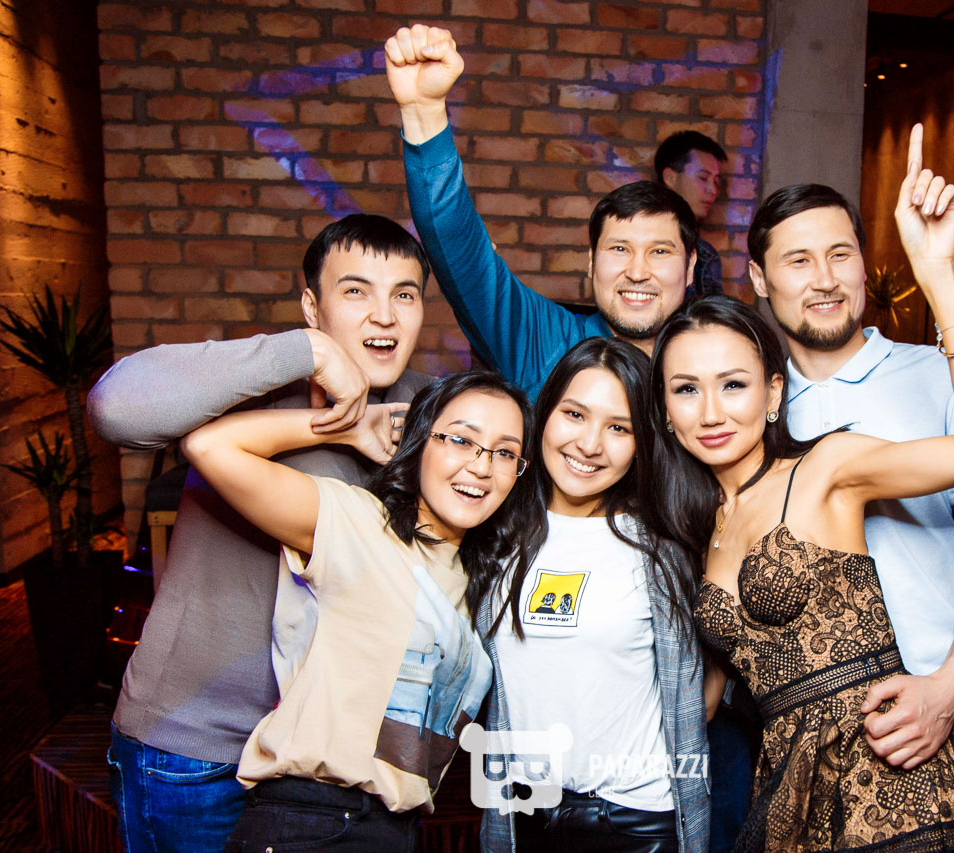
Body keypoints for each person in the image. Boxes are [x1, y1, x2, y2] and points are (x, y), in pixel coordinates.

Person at [652, 128, 954, 851]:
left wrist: (952, 687)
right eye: (798, 259)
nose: (823, 278)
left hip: (931, 736)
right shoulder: (712, 485)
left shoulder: (913, 394)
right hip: (786, 776)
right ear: (760, 279)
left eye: (840, 254)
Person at [89, 215, 434, 852]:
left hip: (325, 766)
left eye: (404, 294)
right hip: (198, 750)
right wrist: (308, 355)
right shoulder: (247, 389)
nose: (384, 316)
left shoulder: (428, 410)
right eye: (355, 291)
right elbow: (113, 409)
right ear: (311, 306)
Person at [179, 372, 530, 850]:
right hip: (312, 821)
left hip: (393, 830)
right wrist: (349, 424)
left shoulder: (478, 583)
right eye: (460, 440)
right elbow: (208, 446)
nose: (482, 466)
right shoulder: (359, 522)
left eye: (504, 453)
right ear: (419, 443)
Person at [472, 338, 709, 852]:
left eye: (619, 428)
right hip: (523, 815)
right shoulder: (494, 532)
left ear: (643, 442)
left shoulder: (662, 550)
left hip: (635, 823)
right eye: (575, 415)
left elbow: (708, 672)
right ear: (545, 414)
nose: (589, 444)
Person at [386, 25, 697, 401]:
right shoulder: (545, 342)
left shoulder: (710, 363)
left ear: (690, 267)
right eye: (619, 249)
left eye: (659, 251)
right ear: (591, 262)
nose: (637, 271)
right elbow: (461, 252)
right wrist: (423, 111)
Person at [655, 130, 726, 300]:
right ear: (670, 178)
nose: (712, 190)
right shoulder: (636, 241)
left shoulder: (706, 255)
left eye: (716, 182)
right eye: (703, 178)